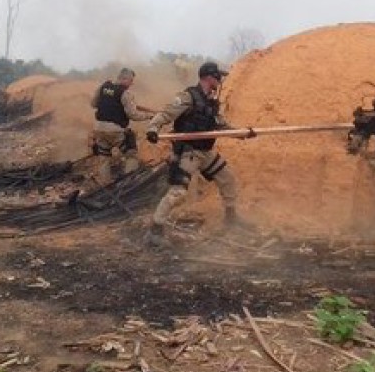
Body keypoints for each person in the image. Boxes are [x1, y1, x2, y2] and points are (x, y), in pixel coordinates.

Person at [144, 61, 254, 244]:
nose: (220, 81)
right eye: (218, 77)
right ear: (209, 77)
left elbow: (222, 126)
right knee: (178, 193)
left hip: (205, 152)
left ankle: (231, 219)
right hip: (188, 153)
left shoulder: (212, 103)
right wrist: (153, 128)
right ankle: (155, 230)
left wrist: (242, 133)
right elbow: (166, 113)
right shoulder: (188, 96)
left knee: (227, 179)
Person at [90, 67, 153, 185]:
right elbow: (133, 115)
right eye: (131, 81)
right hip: (115, 130)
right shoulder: (124, 93)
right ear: (124, 78)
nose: (131, 84)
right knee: (131, 154)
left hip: (98, 128)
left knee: (104, 157)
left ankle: (106, 184)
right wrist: (149, 116)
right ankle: (128, 183)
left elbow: (93, 104)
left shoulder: (103, 87)